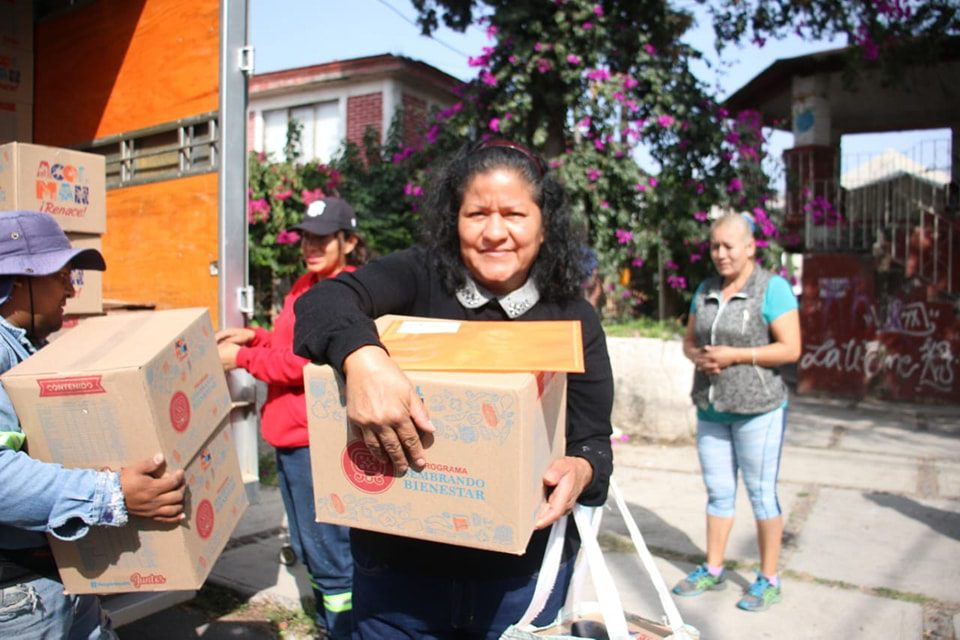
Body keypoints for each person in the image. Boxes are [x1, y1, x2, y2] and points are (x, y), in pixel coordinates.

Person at [292, 139, 614, 639]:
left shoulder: (573, 317)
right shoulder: (419, 279)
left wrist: (581, 466)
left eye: (514, 214)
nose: (494, 232)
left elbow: (594, 440)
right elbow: (324, 304)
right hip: (397, 578)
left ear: (544, 224)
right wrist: (364, 358)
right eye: (476, 214)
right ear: (453, 220)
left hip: (519, 585)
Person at [0, 210, 186, 638]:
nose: (71, 287)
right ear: (17, 280)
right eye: (61, 274)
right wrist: (111, 493)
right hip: (20, 595)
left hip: (59, 577)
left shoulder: (28, 347)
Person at [217, 196, 366, 639]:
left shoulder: (350, 292)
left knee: (329, 548)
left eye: (323, 238)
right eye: (306, 237)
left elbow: (308, 363)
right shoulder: (304, 285)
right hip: (288, 436)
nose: (311, 246)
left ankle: (338, 628)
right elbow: (289, 344)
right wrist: (256, 336)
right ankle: (331, 622)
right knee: (307, 544)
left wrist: (242, 357)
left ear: (350, 241)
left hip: (314, 439)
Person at [672, 212, 801, 612]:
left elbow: (791, 348)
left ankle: (768, 579)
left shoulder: (773, 288)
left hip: (759, 410)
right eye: (715, 246)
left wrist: (735, 356)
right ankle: (713, 568)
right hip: (712, 407)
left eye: (729, 246)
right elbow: (690, 340)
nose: (721, 254)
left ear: (750, 247)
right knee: (719, 493)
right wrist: (700, 357)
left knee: (762, 495)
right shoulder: (706, 288)